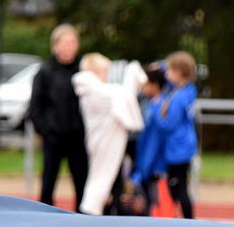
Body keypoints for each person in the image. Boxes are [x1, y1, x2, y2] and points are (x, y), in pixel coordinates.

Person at [71, 54, 146, 215]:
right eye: (105, 72)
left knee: (103, 178)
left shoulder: (92, 89)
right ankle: (91, 213)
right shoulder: (94, 90)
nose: (107, 76)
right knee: (101, 178)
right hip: (102, 139)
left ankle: (102, 211)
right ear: (95, 72)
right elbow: (123, 96)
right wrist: (132, 72)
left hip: (101, 138)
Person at [26, 23, 88, 209]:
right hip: (53, 137)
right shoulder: (45, 71)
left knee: (82, 181)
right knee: (48, 180)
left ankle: (82, 217)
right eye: (65, 43)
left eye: (72, 43)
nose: (69, 47)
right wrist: (46, 130)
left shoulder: (84, 69)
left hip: (78, 138)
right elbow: (35, 107)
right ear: (55, 45)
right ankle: (45, 215)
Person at [157, 50, 198, 219]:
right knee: (182, 186)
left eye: (169, 70)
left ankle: (186, 220)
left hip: (177, 149)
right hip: (185, 146)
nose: (166, 74)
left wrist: (156, 109)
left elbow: (168, 125)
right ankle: (186, 219)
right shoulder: (189, 89)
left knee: (177, 189)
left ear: (179, 72)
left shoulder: (178, 98)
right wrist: (160, 65)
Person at [131, 65, 168, 214]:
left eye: (146, 83)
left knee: (151, 207)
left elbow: (153, 142)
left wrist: (143, 169)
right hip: (147, 164)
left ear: (155, 85)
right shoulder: (150, 103)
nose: (142, 86)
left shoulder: (158, 107)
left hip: (152, 167)